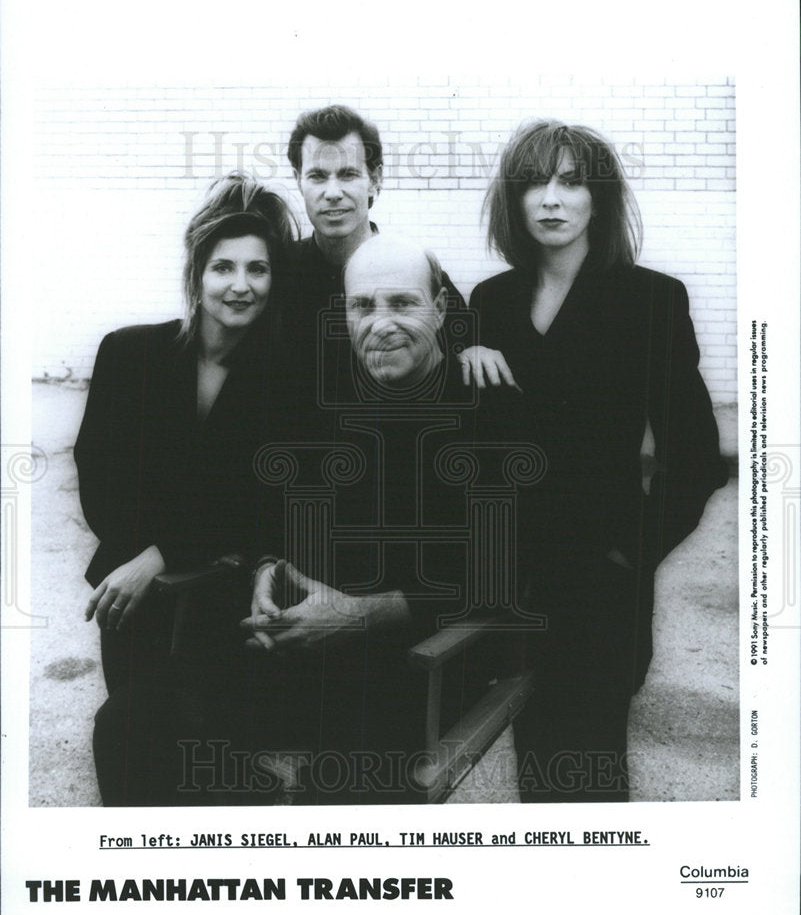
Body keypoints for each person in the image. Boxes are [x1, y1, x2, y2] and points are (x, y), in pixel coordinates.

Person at [461, 119, 729, 802]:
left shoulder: (648, 300)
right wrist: (461, 357)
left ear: (597, 199)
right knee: (532, 776)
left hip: (599, 591)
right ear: (513, 201)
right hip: (511, 589)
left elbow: (694, 456)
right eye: (533, 183)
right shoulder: (489, 303)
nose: (550, 198)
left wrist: (628, 554)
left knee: (589, 773)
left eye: (570, 182)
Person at [241, 235, 491, 804]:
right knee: (139, 722)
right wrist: (266, 571)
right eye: (362, 306)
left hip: (418, 666)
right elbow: (275, 512)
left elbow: (504, 568)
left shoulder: (488, 408)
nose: (380, 324)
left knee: (342, 782)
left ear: (443, 310)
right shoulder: (326, 401)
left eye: (403, 304)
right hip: (301, 648)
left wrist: (363, 614)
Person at [75, 171, 297, 805]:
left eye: (258, 269)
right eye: (223, 267)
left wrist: (163, 552)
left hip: (220, 598)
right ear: (197, 275)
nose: (240, 285)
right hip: (131, 591)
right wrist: (142, 560)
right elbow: (102, 478)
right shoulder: (128, 354)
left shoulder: (280, 379)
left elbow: (259, 499)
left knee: (195, 749)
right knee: (134, 740)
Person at [280, 104, 465, 413]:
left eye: (348, 174)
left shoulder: (415, 276)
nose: (333, 192)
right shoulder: (278, 274)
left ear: (375, 179)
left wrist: (476, 351)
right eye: (317, 176)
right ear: (299, 179)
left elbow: (461, 363)